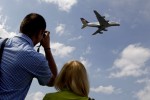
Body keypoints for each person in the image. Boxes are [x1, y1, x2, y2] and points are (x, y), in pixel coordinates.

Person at [0, 13, 57, 99]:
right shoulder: (35, 58)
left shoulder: (2, 41)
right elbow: (53, 80)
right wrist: (47, 49)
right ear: (40, 33)